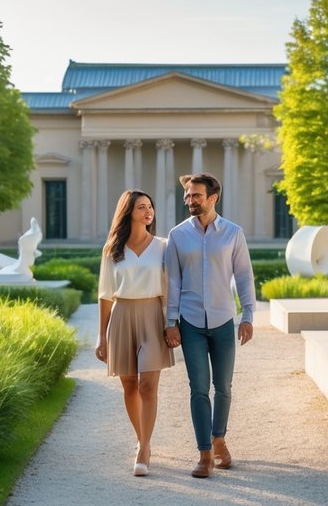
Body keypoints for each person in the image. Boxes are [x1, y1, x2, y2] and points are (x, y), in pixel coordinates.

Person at [164, 172, 255, 479]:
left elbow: (243, 276)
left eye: (196, 196)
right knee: (198, 389)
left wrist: (248, 316)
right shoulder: (177, 235)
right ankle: (205, 453)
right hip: (190, 322)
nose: (190, 200)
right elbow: (173, 281)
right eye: (187, 196)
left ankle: (219, 438)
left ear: (213, 198)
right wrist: (170, 322)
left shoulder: (233, 233)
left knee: (224, 387)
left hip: (223, 320)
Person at [95, 189, 174, 476]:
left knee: (148, 386)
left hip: (153, 315)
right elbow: (105, 295)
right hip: (122, 315)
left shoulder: (164, 246)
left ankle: (143, 448)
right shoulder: (112, 250)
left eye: (150, 207)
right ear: (128, 212)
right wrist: (101, 337)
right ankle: (143, 439)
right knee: (129, 384)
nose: (148, 211)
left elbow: (170, 290)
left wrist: (170, 323)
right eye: (141, 207)